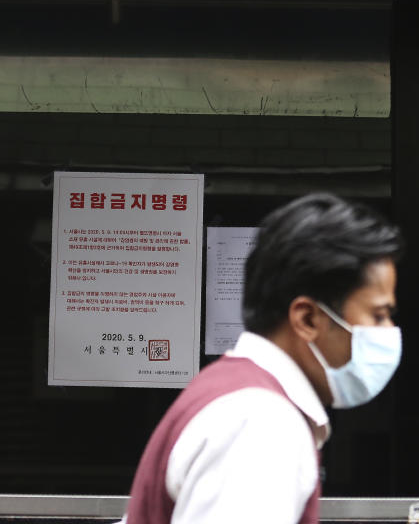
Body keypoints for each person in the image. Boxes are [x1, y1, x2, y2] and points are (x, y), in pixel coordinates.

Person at [122, 193, 404, 523]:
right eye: (379, 315)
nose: (389, 331)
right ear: (308, 319)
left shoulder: (228, 390)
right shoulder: (262, 423)